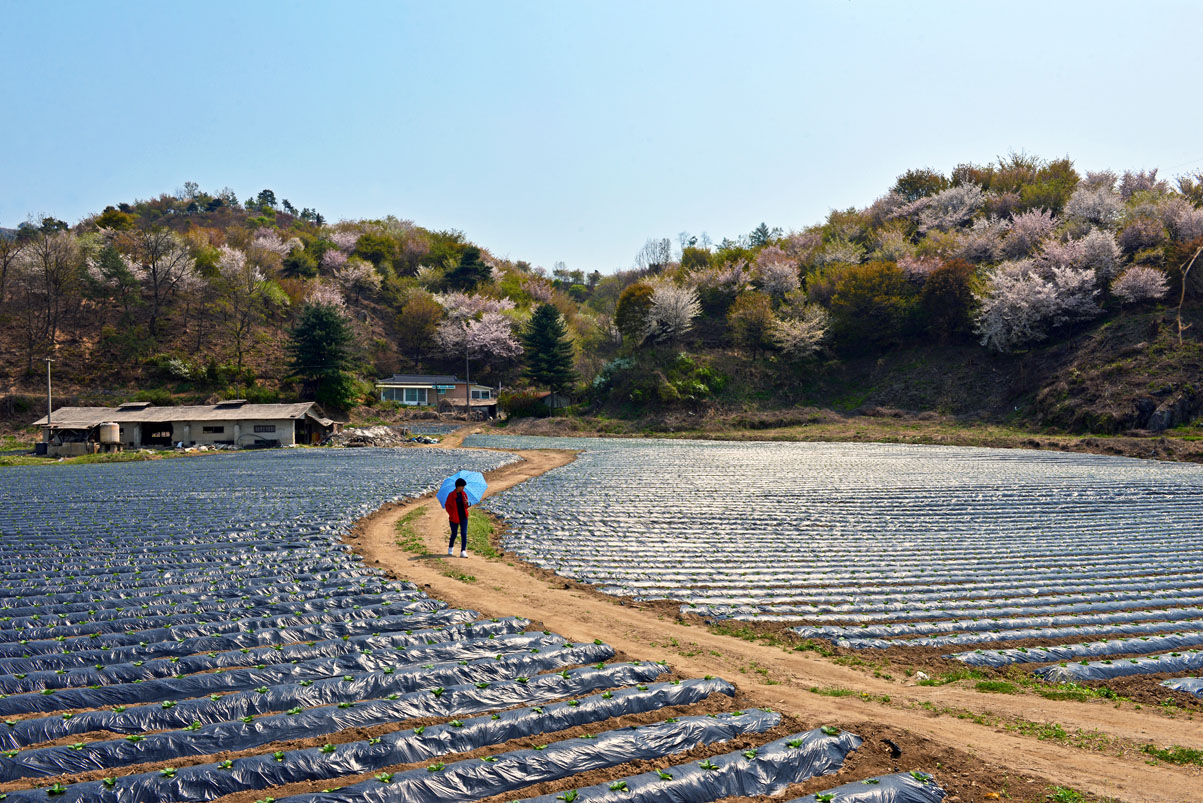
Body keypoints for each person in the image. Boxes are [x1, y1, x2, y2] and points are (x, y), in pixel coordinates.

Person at [445, 477, 470, 558]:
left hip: (463, 517)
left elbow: (466, 506)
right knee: (454, 533)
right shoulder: (451, 495)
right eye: (462, 486)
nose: (463, 488)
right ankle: (450, 548)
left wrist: (467, 503)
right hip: (454, 518)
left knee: (464, 533)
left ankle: (463, 551)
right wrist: (452, 514)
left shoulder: (464, 494)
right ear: (458, 486)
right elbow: (447, 506)